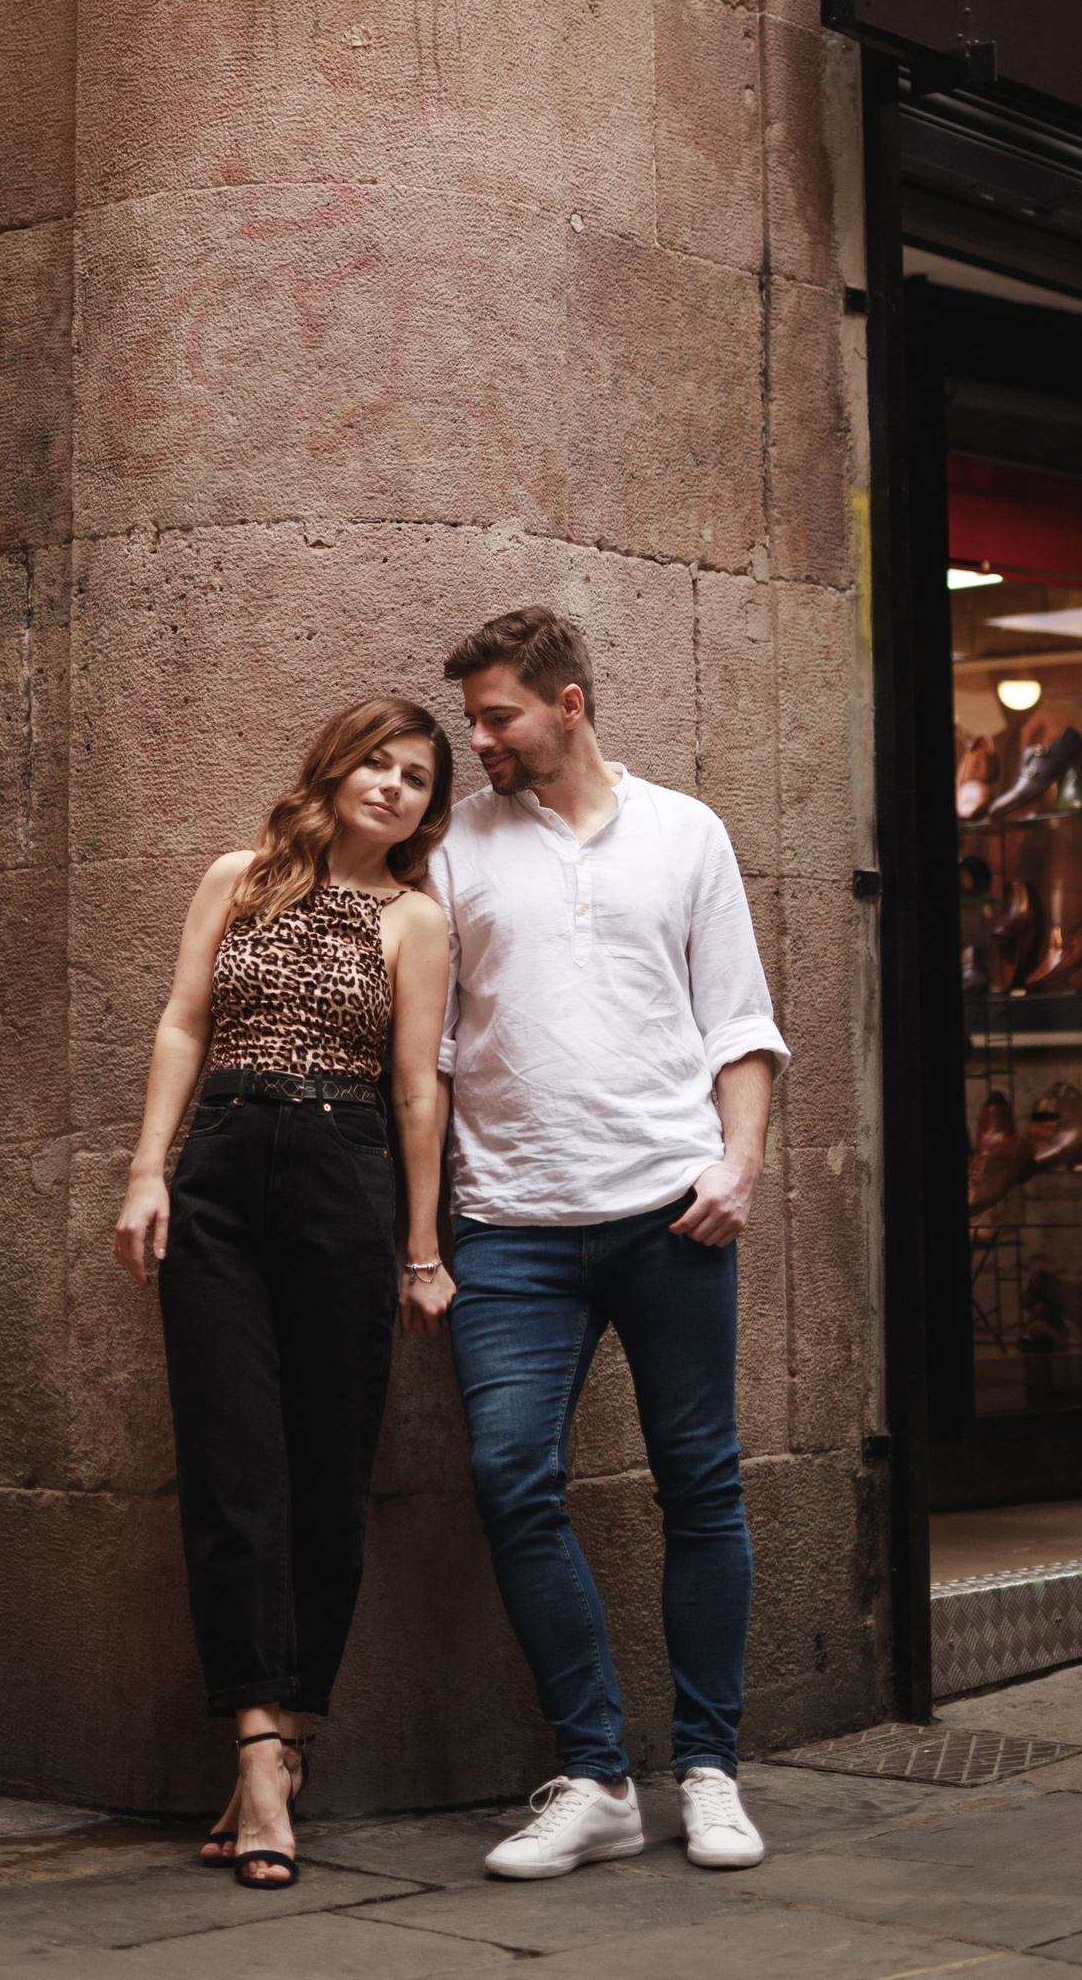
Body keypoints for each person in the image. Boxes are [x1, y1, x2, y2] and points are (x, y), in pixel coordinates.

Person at [431, 606, 789, 1880]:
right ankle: (594, 1779)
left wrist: (737, 1167)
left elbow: (738, 1023)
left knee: (702, 1486)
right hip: (508, 1229)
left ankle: (709, 1769)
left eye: (499, 716)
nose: (480, 740)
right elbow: (430, 1051)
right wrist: (424, 1230)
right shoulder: (456, 844)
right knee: (509, 1482)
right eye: (473, 720)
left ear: (569, 704)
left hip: (669, 1214)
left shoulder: (687, 832)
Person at [112, 698, 454, 1891]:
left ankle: (284, 1738)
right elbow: (181, 1028)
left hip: (344, 1179)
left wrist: (422, 1249)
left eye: (417, 777)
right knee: (231, 1467)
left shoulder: (416, 920)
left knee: (326, 1474)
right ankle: (261, 1752)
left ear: (428, 808)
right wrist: (148, 1172)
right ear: (335, 769)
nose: (393, 786)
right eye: (377, 764)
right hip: (219, 1173)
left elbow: (416, 1092)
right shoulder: (238, 879)